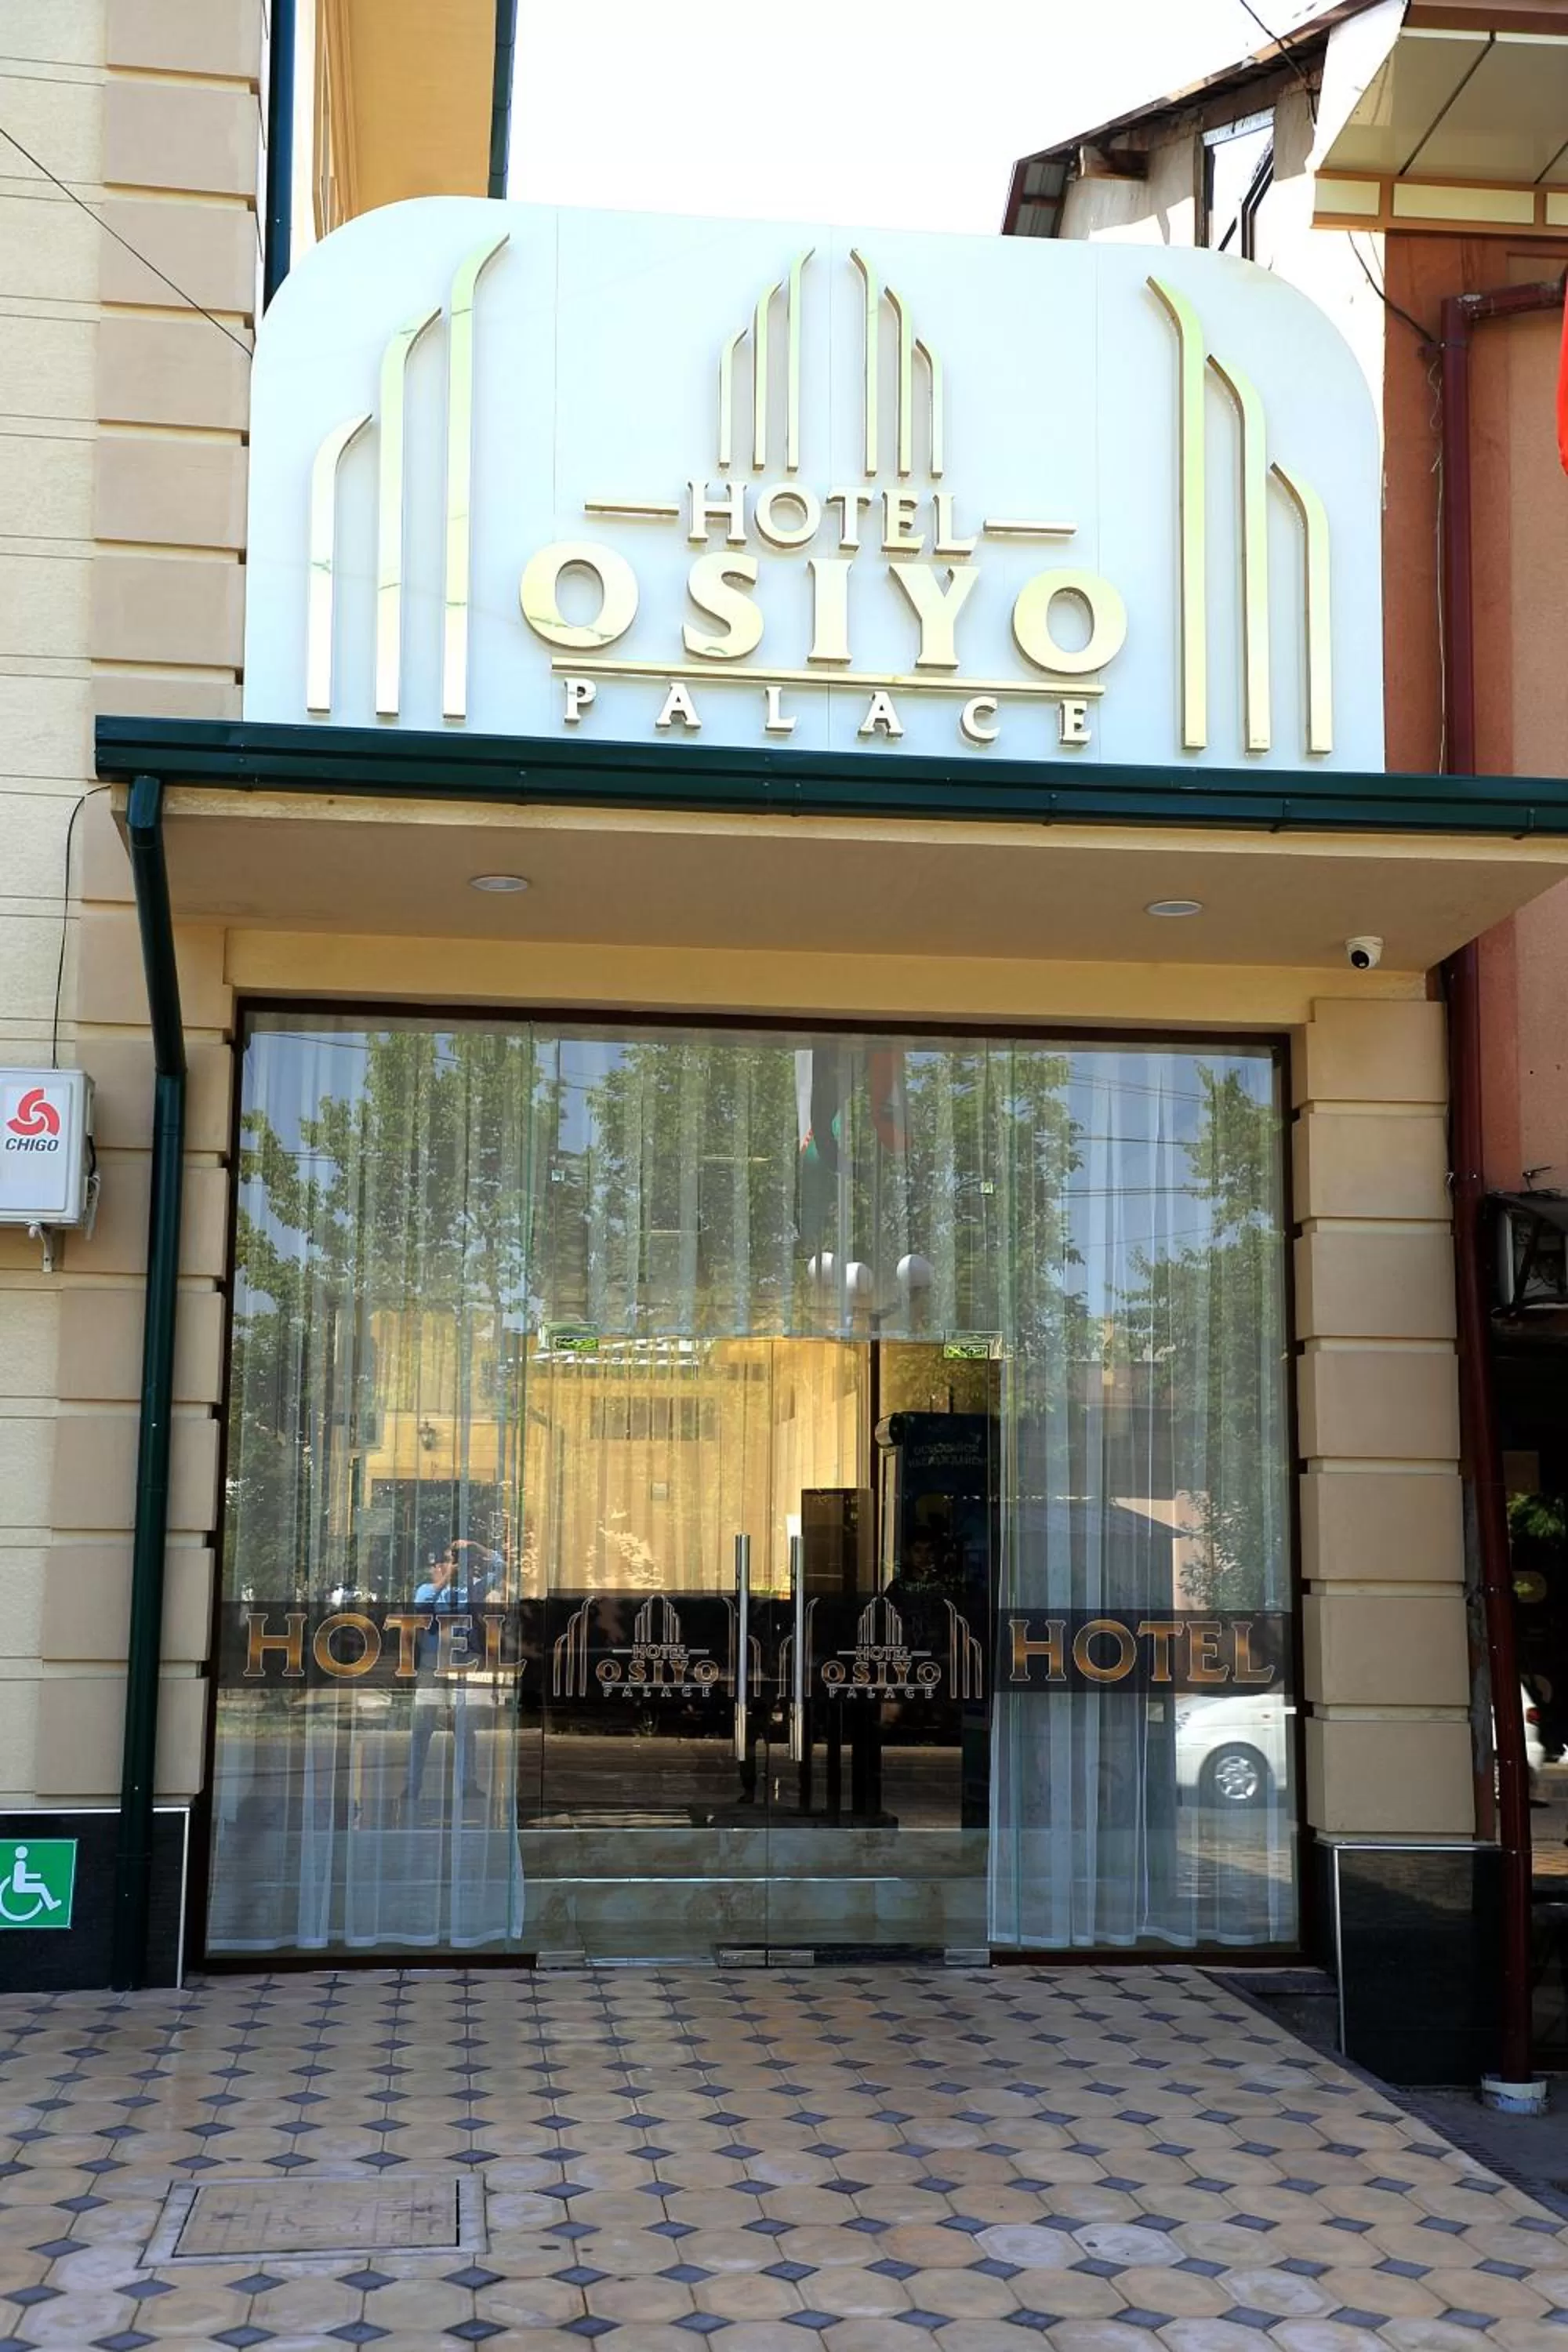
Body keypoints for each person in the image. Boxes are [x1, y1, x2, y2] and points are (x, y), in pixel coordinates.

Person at [404, 1540, 501, 1807]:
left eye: (458, 1560)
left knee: (465, 1729)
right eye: (450, 1560)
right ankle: (412, 1785)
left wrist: (476, 1546)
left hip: (461, 1667)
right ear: (437, 1566)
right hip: (432, 1666)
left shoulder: (472, 1590)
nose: (456, 1565)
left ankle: (468, 1784)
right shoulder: (428, 1589)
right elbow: (423, 1606)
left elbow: (502, 1567)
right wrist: (448, 1577)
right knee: (422, 1728)